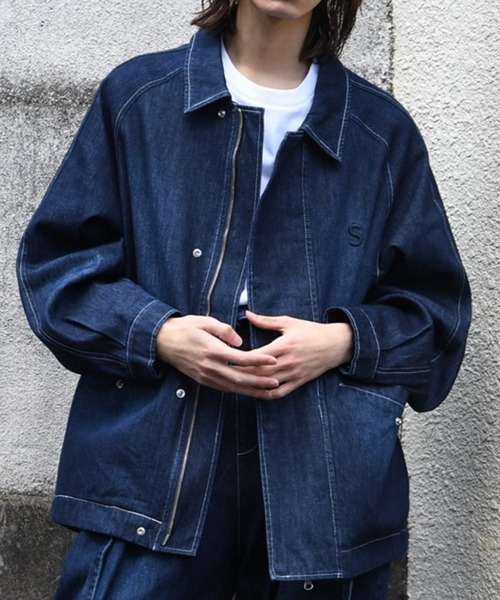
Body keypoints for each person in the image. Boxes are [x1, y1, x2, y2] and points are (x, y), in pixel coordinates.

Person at [17, 0, 471, 598]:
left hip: (324, 481)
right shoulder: (139, 99)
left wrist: (342, 341)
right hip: (155, 471)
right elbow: (57, 270)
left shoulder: (379, 131)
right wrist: (159, 334)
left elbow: (436, 317)